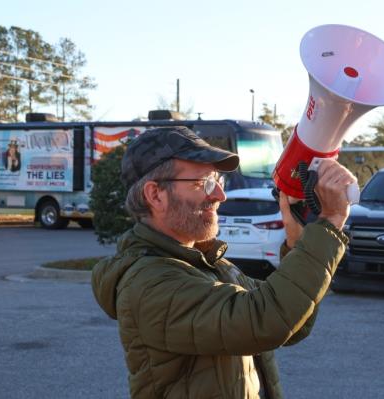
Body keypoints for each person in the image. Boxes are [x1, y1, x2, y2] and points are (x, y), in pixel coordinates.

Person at [91, 126, 354, 398]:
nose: (219, 195)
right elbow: (267, 320)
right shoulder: (149, 283)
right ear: (155, 195)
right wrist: (330, 223)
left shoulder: (207, 264)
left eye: (218, 180)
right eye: (203, 182)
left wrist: (298, 243)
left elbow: (293, 323)